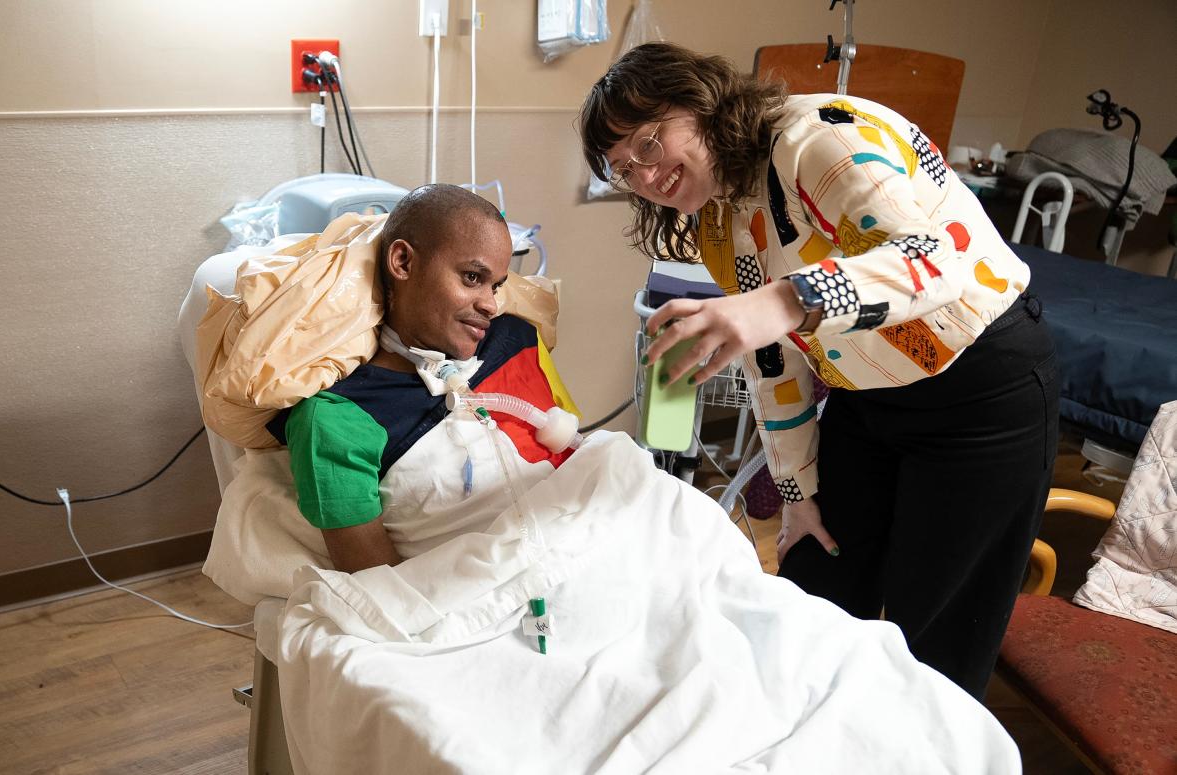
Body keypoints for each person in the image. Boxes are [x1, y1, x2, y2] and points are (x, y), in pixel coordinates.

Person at [579, 42, 1058, 700]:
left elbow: (938, 259)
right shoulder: (720, 222)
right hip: (870, 399)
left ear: (700, 102)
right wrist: (798, 491)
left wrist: (781, 300)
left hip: (978, 391)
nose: (643, 172)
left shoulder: (819, 137)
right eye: (622, 167)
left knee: (936, 641)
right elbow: (775, 360)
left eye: (650, 142)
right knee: (813, 585)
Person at [266, 184, 578, 574]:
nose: (491, 304)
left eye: (495, 285)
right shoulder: (335, 420)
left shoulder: (518, 340)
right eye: (471, 277)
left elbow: (575, 457)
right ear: (403, 262)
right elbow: (377, 585)